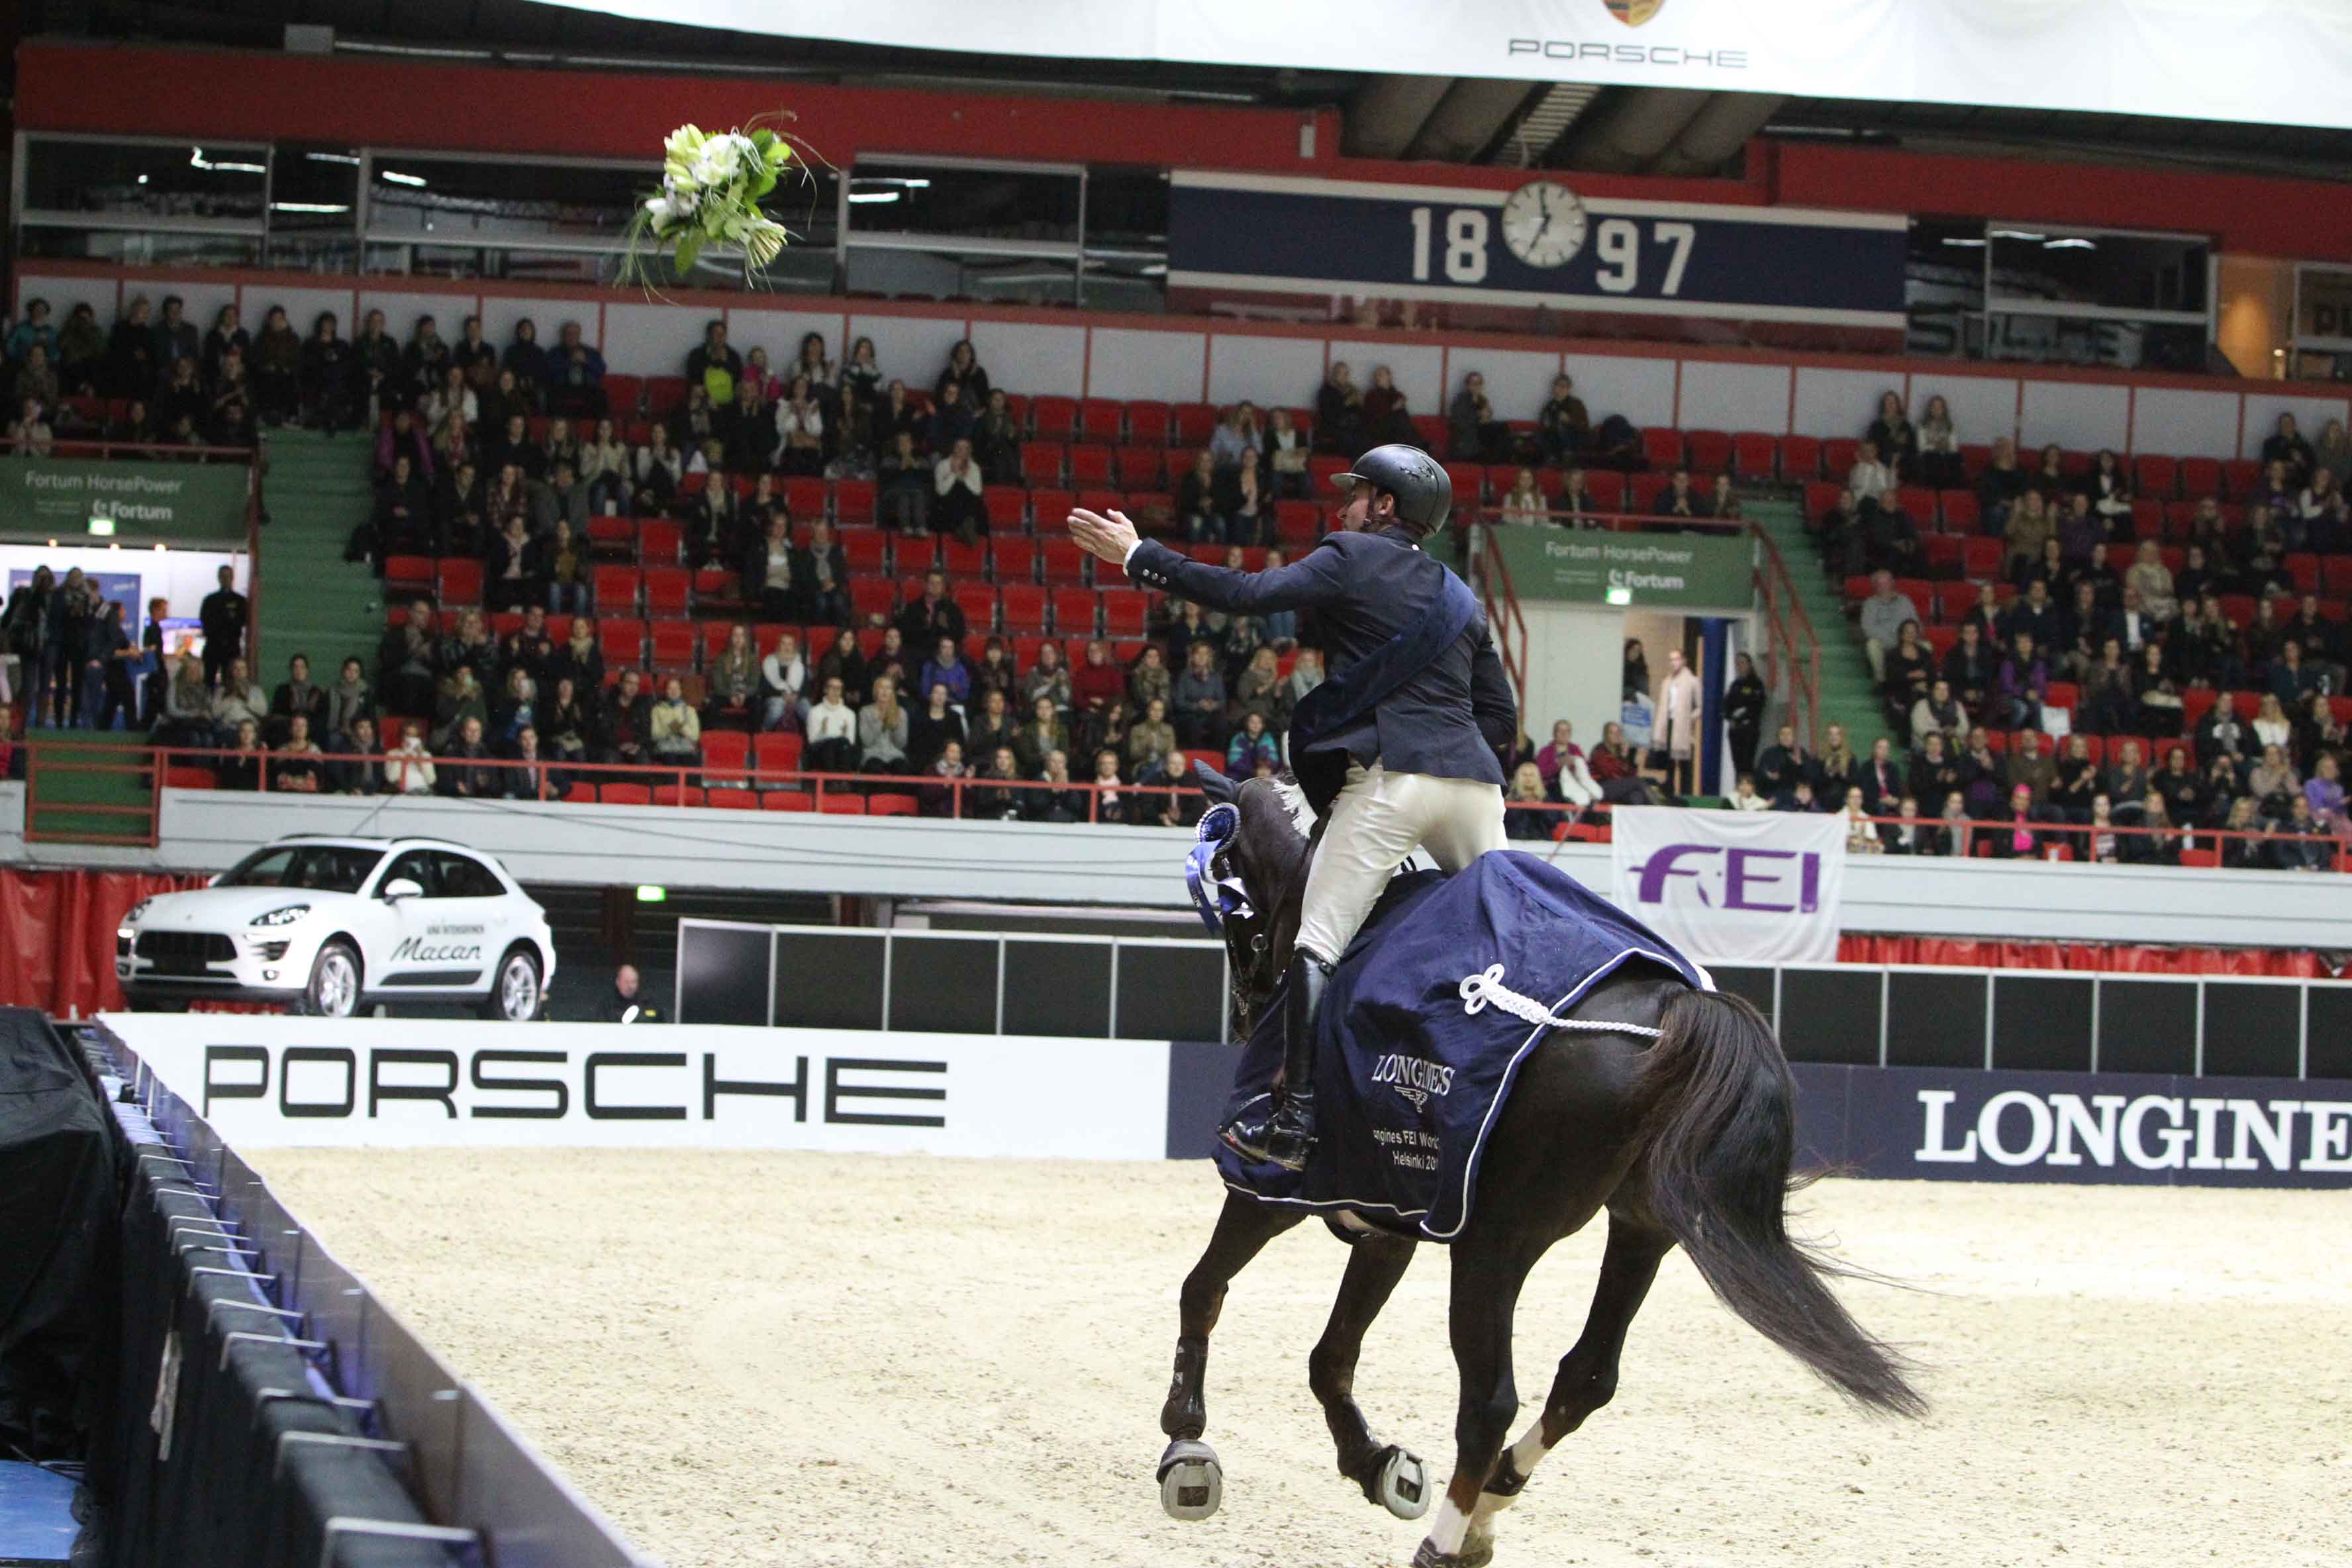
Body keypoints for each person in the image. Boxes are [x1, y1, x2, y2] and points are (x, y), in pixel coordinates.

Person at [1069, 442, 1514, 1172]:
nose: (1343, 508)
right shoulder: (1462, 601)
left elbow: (1246, 594)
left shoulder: (1347, 554)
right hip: (1474, 786)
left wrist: (1139, 554)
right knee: (1506, 950)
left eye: (1357, 494)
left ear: (1386, 508)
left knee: (1316, 945)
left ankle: (1295, 1121)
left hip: (1392, 781)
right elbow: (1500, 717)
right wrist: (1451, 752)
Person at [1654, 648, 1701, 795]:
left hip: (1683, 726)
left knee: (1684, 763)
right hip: (1668, 722)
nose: (1673, 663)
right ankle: (1669, 792)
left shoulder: (1693, 681)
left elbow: (1700, 706)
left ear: (1683, 661)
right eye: (1671, 660)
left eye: (1676, 659)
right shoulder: (1667, 681)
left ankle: (1686, 793)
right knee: (1669, 761)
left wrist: (1690, 718)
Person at [198, 564, 247, 689]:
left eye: (228, 576)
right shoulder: (210, 600)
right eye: (223, 576)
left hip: (232, 647)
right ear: (219, 578)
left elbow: (243, 621)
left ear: (233, 578)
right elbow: (205, 621)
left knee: (231, 681)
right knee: (207, 681)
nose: (226, 579)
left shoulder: (240, 601)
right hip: (213, 646)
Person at [595, 963, 662, 1024]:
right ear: (618, 982)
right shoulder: (607, 1005)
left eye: (633, 982)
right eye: (626, 982)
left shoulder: (649, 1003)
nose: (630, 986)